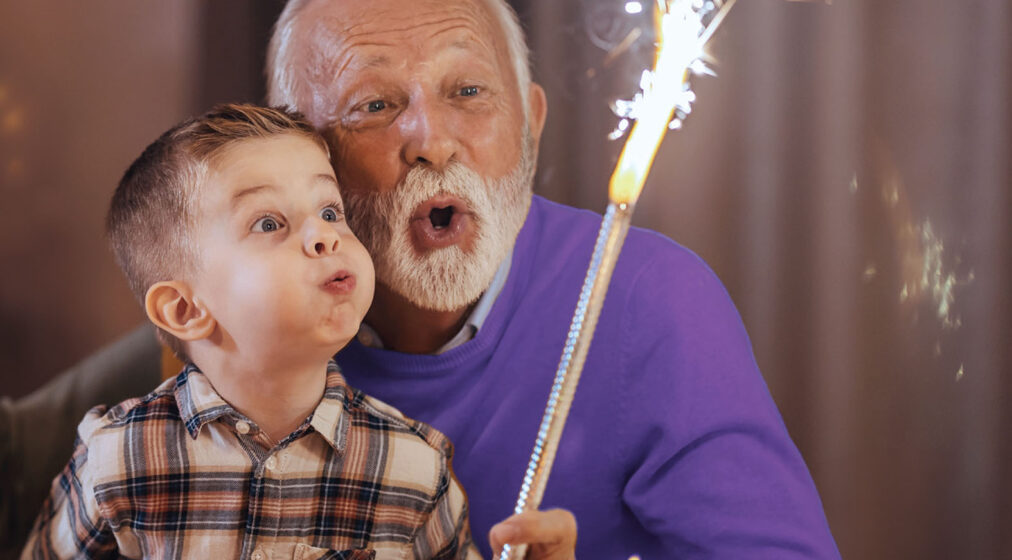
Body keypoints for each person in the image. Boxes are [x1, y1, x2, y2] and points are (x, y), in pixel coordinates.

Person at [3, 0, 839, 558]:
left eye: (468, 90)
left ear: (533, 121)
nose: (432, 138)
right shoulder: (221, 351)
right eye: (373, 104)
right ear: (302, 151)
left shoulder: (648, 302)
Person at [19, 104, 573, 560]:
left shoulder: (413, 468)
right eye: (269, 223)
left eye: (330, 211)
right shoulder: (119, 459)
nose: (325, 236)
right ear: (186, 309)